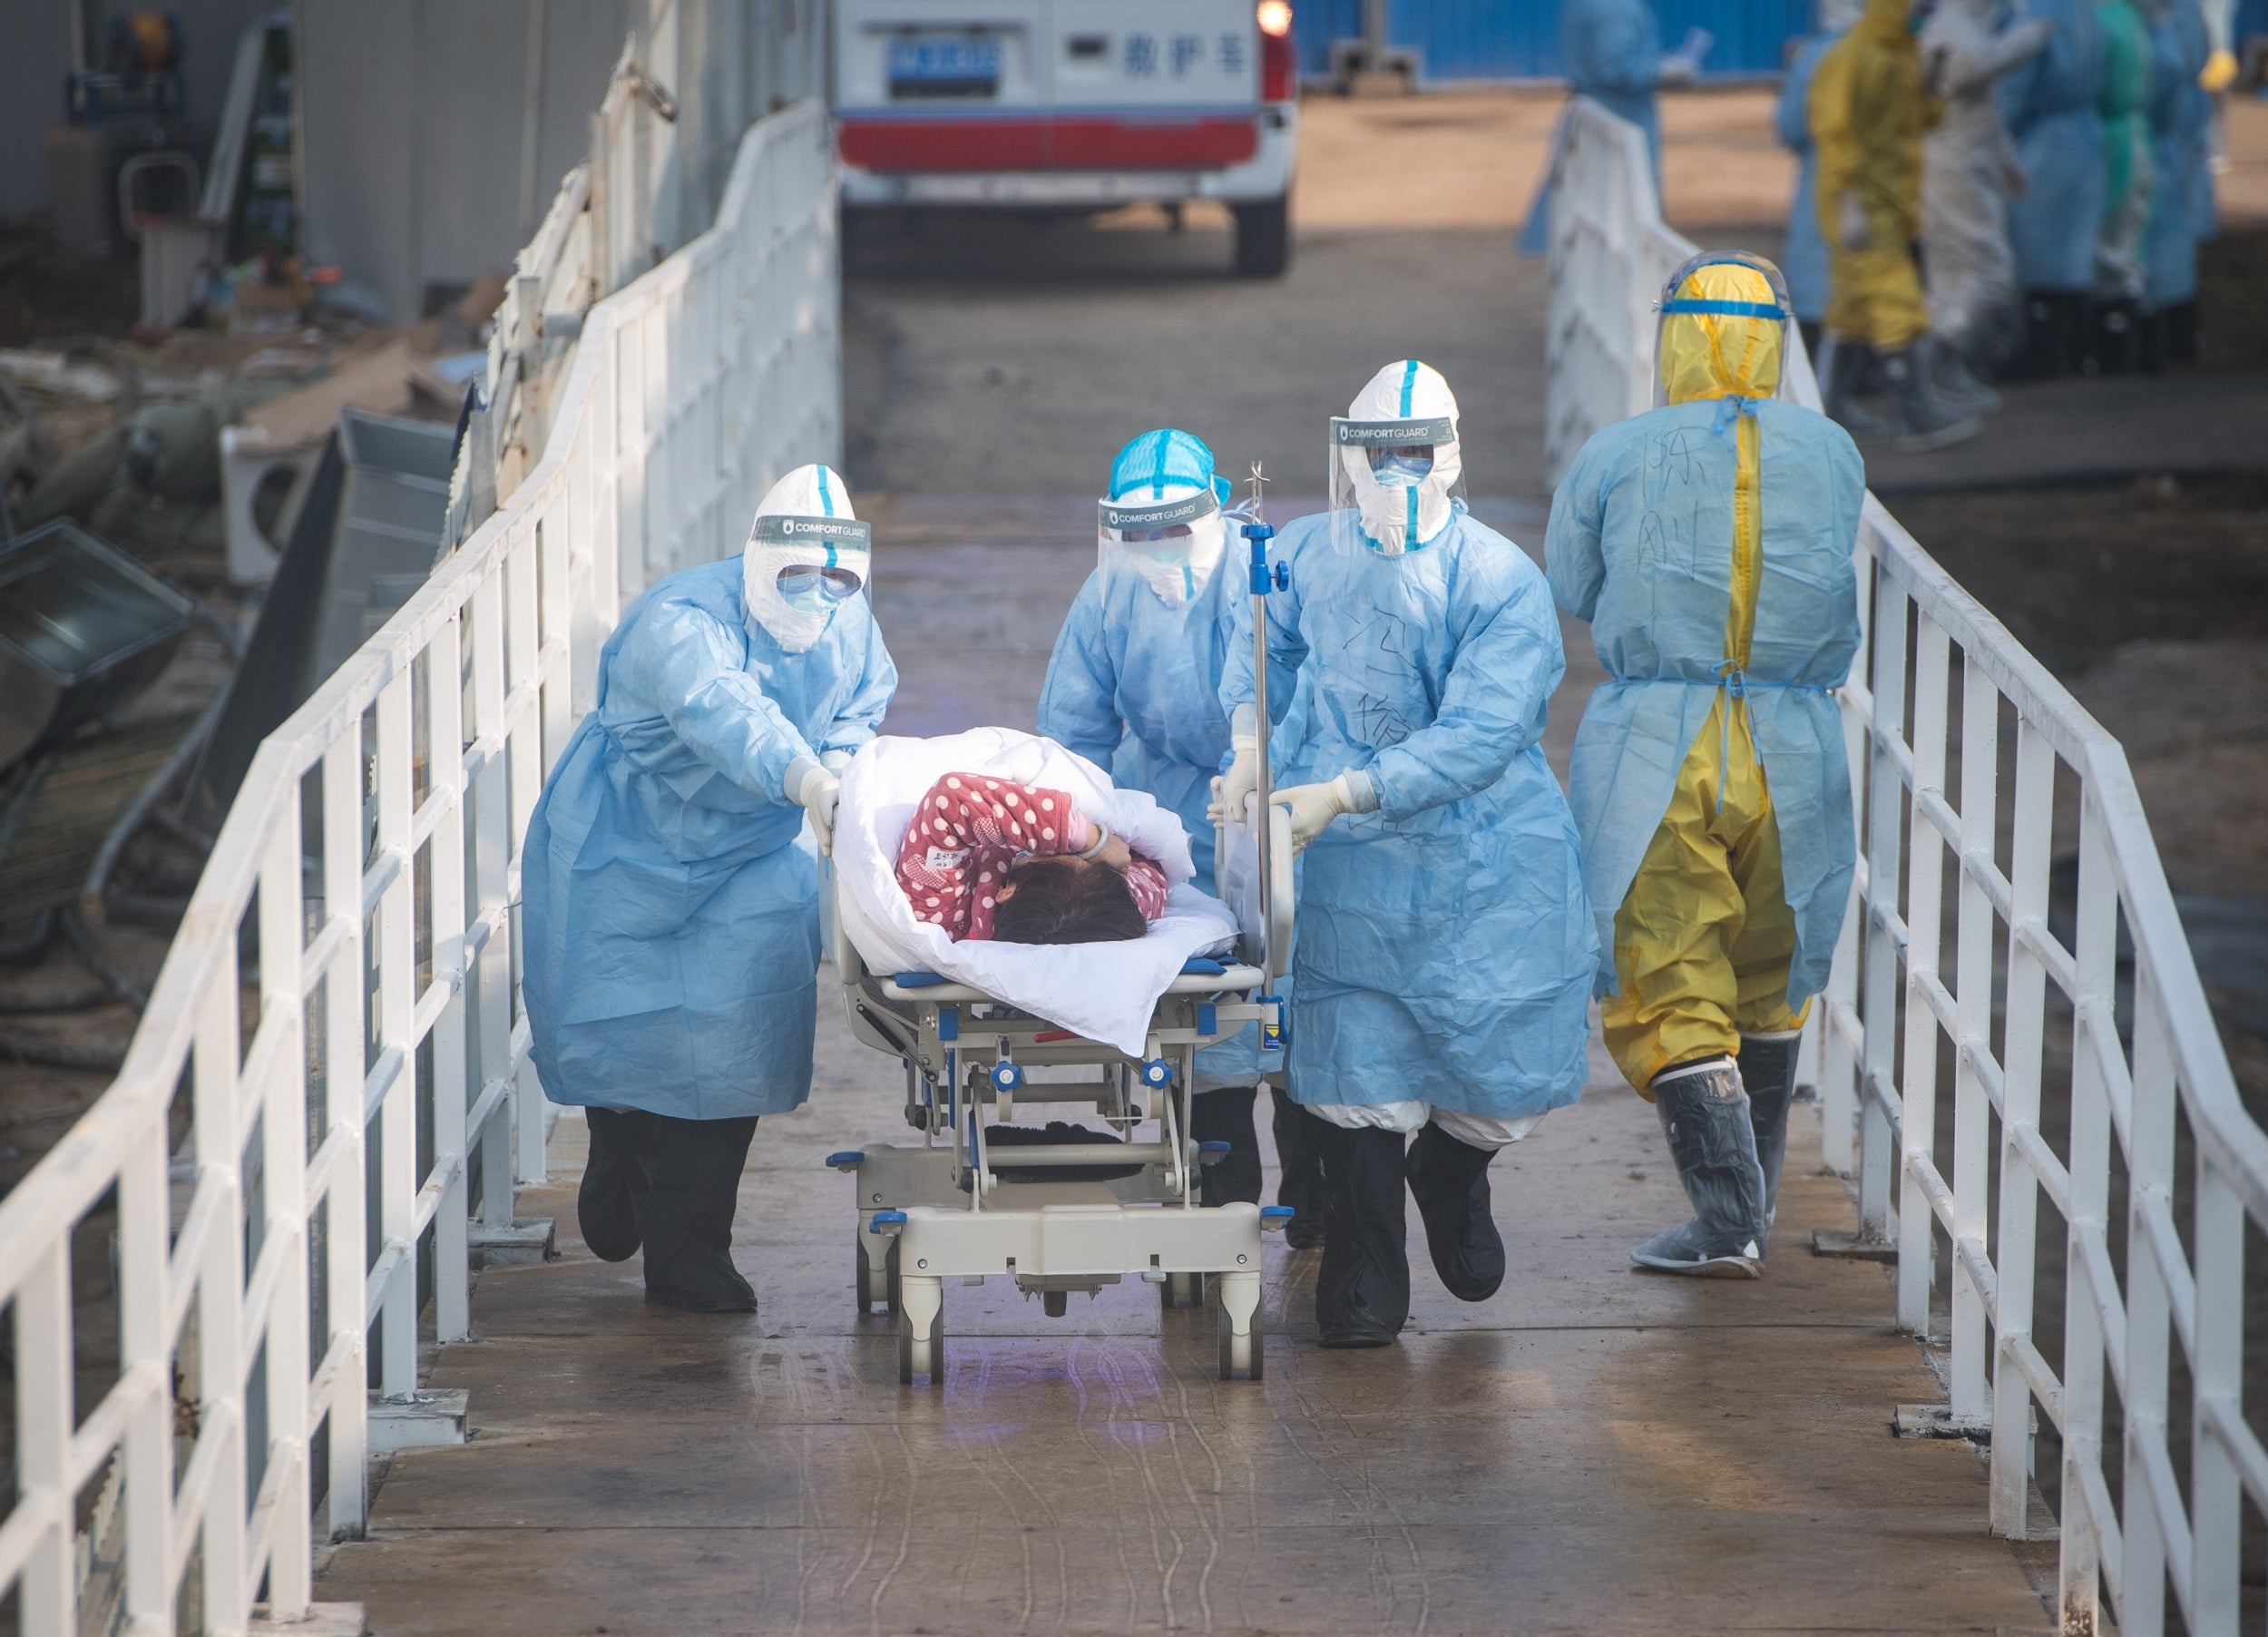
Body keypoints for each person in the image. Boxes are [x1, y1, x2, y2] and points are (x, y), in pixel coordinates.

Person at [1216, 360, 1598, 1348]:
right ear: (1345, 454)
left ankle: (1454, 1175)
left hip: (1479, 861)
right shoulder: (1303, 551)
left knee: (1487, 1061)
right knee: (1351, 1057)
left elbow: (1483, 728)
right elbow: (1262, 641)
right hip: (1344, 861)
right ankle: (1365, 1254)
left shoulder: (1500, 580)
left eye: (1414, 453)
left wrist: (1347, 789)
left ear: (1452, 454)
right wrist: (1254, 744)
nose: (1396, 473)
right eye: (1377, 453)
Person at [1545, 253, 1863, 1279]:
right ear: (1776, 335)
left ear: (1670, 335)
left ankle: (1725, 1217)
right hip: (1795, 742)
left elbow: (1572, 580)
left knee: (1666, 964)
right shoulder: (1832, 450)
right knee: (1774, 968)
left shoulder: (1616, 450)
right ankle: (1753, 1200)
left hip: (1660, 741)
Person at [522, 464, 895, 1312]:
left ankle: (690, 1253)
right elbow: (722, 709)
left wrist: (835, 766)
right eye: (800, 577)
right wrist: (803, 776)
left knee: (734, 1046)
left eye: (838, 580)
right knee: (624, 1025)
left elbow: (858, 707)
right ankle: (619, 1142)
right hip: (628, 843)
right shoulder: (681, 622)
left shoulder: (847, 624)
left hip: (752, 856)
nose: (819, 596)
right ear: (759, 560)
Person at [1037, 428, 1309, 1223]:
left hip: (1274, 796)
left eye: (1175, 528)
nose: (1157, 549)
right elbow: (1072, 732)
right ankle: (1219, 1187)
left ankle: (1315, 1188)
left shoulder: (1259, 577)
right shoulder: (1108, 595)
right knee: (1198, 999)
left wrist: (1266, 761)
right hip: (1160, 814)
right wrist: (1081, 834)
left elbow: (1301, 677)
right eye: (1139, 532)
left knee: (1292, 986)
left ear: (1216, 509)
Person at [1813, 0, 1985, 447]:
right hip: (1862, 204)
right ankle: (1916, 413)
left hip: (1890, 203)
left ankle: (1829, 407)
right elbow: (1835, 134)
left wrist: (1930, 88)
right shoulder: (1855, 57)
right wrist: (1851, 203)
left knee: (1853, 308)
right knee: (1896, 300)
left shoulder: (1902, 53)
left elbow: (1920, 123)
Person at [1918, 0, 2056, 395]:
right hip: (1954, 169)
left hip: (1967, 166)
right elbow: (1967, 69)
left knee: (1953, 275)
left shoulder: (1967, 28)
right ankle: (1942, 353)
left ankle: (1940, 368)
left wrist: (2007, 161)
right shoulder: (1950, 29)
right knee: (1987, 272)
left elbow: (1985, 108)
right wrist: (2023, 43)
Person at [1518, 0, 1709, 254]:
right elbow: (1617, 68)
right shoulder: (1618, 7)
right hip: (1620, 115)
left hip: (1594, 111)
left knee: (1586, 206)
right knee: (1621, 208)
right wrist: (1672, 70)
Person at [894, 770, 1167, 943]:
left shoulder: (943, 917)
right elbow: (1145, 863)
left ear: (1008, 891)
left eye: (1060, 853)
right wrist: (1108, 852)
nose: (1079, 852)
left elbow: (950, 799)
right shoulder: (1116, 910)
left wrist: (1089, 839)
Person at [1999, 0, 2106, 376]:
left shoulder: (2033, 15)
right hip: (2086, 136)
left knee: (2038, 257)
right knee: (2074, 254)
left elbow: (2011, 87)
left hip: (2040, 146)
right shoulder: (2083, 10)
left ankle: (2042, 356)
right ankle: (2078, 351)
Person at [1778, 0, 1865, 361]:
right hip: (1884, 180)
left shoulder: (1815, 55)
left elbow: (1791, 127)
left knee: (1817, 271)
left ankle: (1820, 373)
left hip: (1823, 176)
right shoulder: (1889, 51)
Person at [2139, 0, 2213, 364]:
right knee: (2172, 230)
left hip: (2159, 130)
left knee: (2154, 234)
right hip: (2173, 128)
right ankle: (2181, 330)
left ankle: (2167, 333)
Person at [2092, 0, 2156, 369]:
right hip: (2136, 137)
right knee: (2132, 243)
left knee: (2113, 250)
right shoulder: (2128, 18)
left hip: (2114, 143)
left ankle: (2115, 354)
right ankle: (2141, 350)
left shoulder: (2104, 22)